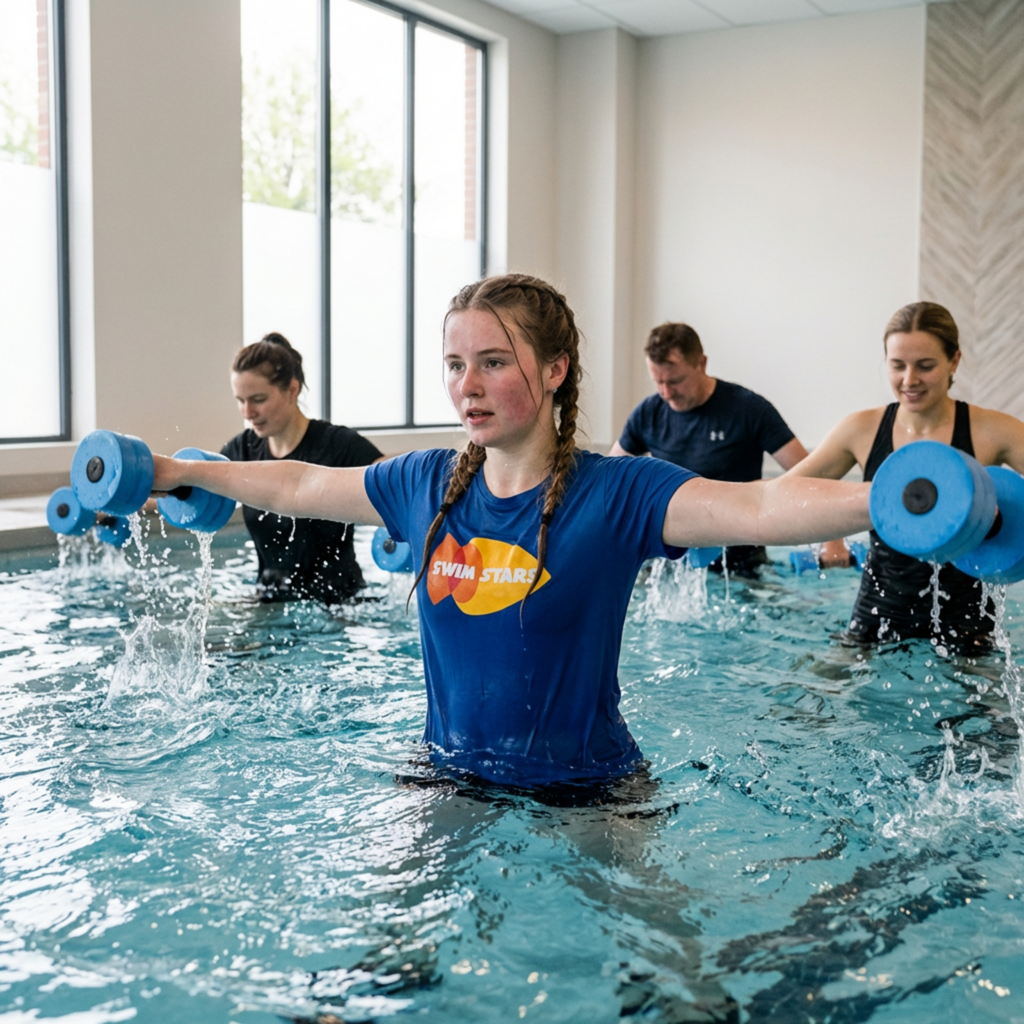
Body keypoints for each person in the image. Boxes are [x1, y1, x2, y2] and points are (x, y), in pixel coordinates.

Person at [153, 275, 870, 785]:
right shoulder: (424, 484)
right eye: (456, 364)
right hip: (449, 770)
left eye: (493, 363)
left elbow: (759, 509)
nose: (468, 384)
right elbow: (304, 484)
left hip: (588, 783)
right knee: (390, 963)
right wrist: (182, 470)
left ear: (555, 369)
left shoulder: (617, 492)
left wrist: (887, 502)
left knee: (663, 973)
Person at [785, 301, 1024, 650]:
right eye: (897, 366)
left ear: (954, 361)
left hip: (967, 619)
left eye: (925, 366)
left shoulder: (992, 430)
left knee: (983, 706)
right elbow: (790, 490)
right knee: (820, 697)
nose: (908, 380)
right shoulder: (862, 429)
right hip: (879, 611)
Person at [609, 322, 810, 575]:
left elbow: (809, 474)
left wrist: (832, 540)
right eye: (658, 382)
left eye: (675, 381)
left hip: (740, 565)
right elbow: (609, 481)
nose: (666, 393)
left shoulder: (749, 410)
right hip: (670, 563)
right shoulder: (648, 413)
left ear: (701, 363)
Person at [222, 332, 384, 604]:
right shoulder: (242, 451)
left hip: (340, 606)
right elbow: (189, 493)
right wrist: (133, 499)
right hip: (270, 600)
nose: (247, 412)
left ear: (292, 390)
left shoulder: (338, 445)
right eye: (240, 400)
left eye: (258, 399)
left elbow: (401, 485)